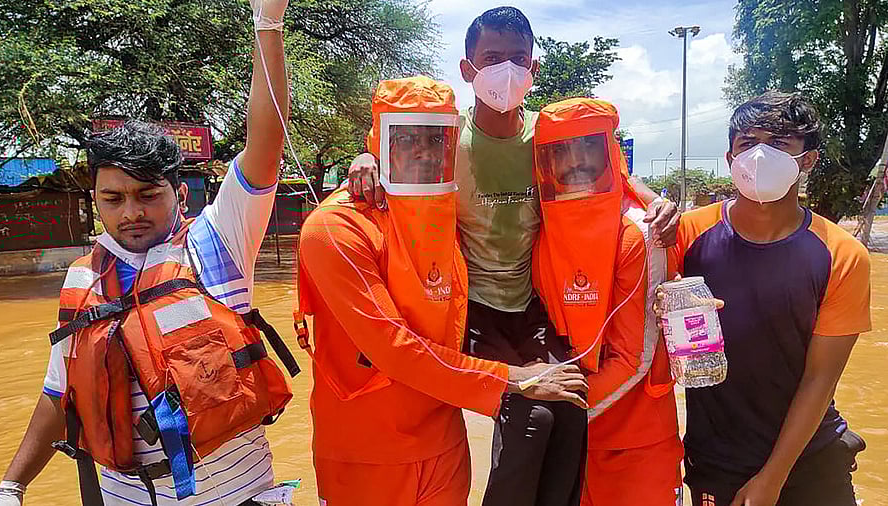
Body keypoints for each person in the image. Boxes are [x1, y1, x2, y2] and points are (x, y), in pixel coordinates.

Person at [344, 8, 681, 505]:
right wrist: (365, 158)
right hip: (469, 309)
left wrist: (653, 198)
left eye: (517, 59)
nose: (505, 70)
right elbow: (391, 151)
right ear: (467, 69)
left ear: (534, 70)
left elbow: (605, 168)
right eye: (491, 58)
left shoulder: (548, 140)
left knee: (569, 405)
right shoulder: (443, 140)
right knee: (529, 415)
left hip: (533, 305)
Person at [0, 1, 296, 505]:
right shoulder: (83, 281)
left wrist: (268, 21)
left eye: (147, 195)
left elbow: (265, 145)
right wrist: (12, 484)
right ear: (95, 202)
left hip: (239, 495)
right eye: (113, 199)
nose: (131, 212)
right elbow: (57, 394)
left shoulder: (218, 240)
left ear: (179, 194)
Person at [293, 76, 590, 506]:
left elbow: (590, 182)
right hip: (367, 454)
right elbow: (393, 348)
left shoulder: (442, 216)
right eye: (407, 136)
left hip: (442, 446)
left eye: (436, 139)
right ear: (379, 141)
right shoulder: (335, 229)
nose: (423, 150)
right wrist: (513, 378)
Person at [664, 91, 870, 506]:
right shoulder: (686, 236)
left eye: (778, 144)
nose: (759, 155)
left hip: (811, 459)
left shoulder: (841, 254)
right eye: (747, 143)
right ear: (730, 158)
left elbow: (820, 378)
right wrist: (661, 306)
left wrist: (772, 478)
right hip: (716, 459)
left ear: (807, 160)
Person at [530, 98, 683, 506]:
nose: (575, 161)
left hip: (635, 443)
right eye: (561, 151)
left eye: (587, 147)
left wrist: (551, 411)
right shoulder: (538, 223)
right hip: (569, 443)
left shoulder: (642, 231)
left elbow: (636, 358)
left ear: (610, 151)